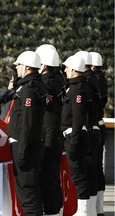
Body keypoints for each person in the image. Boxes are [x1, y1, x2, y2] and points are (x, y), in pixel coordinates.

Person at [7, 51, 47, 215]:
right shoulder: (31, 86)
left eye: (19, 65)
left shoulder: (29, 90)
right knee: (31, 193)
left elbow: (27, 123)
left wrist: (22, 150)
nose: (16, 68)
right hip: (30, 144)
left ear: (28, 67)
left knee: (27, 194)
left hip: (25, 145)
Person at [61, 55, 91, 215]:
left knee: (78, 174)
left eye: (67, 68)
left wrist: (74, 141)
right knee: (78, 173)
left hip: (74, 135)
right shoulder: (74, 87)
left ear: (73, 70)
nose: (65, 70)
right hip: (72, 134)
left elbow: (78, 117)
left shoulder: (77, 88)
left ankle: (83, 212)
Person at [36, 46, 64, 215]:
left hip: (49, 136)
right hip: (53, 134)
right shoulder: (57, 79)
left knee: (47, 180)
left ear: (44, 65)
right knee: (52, 180)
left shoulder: (49, 84)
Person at [75, 51, 102, 215]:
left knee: (84, 172)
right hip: (95, 127)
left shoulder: (85, 84)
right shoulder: (97, 81)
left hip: (88, 129)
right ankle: (93, 210)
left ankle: (87, 211)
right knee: (94, 170)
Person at [89, 51, 108, 216]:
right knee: (98, 168)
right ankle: (99, 208)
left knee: (90, 168)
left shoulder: (90, 81)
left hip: (92, 126)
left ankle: (92, 209)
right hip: (100, 125)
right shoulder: (102, 80)